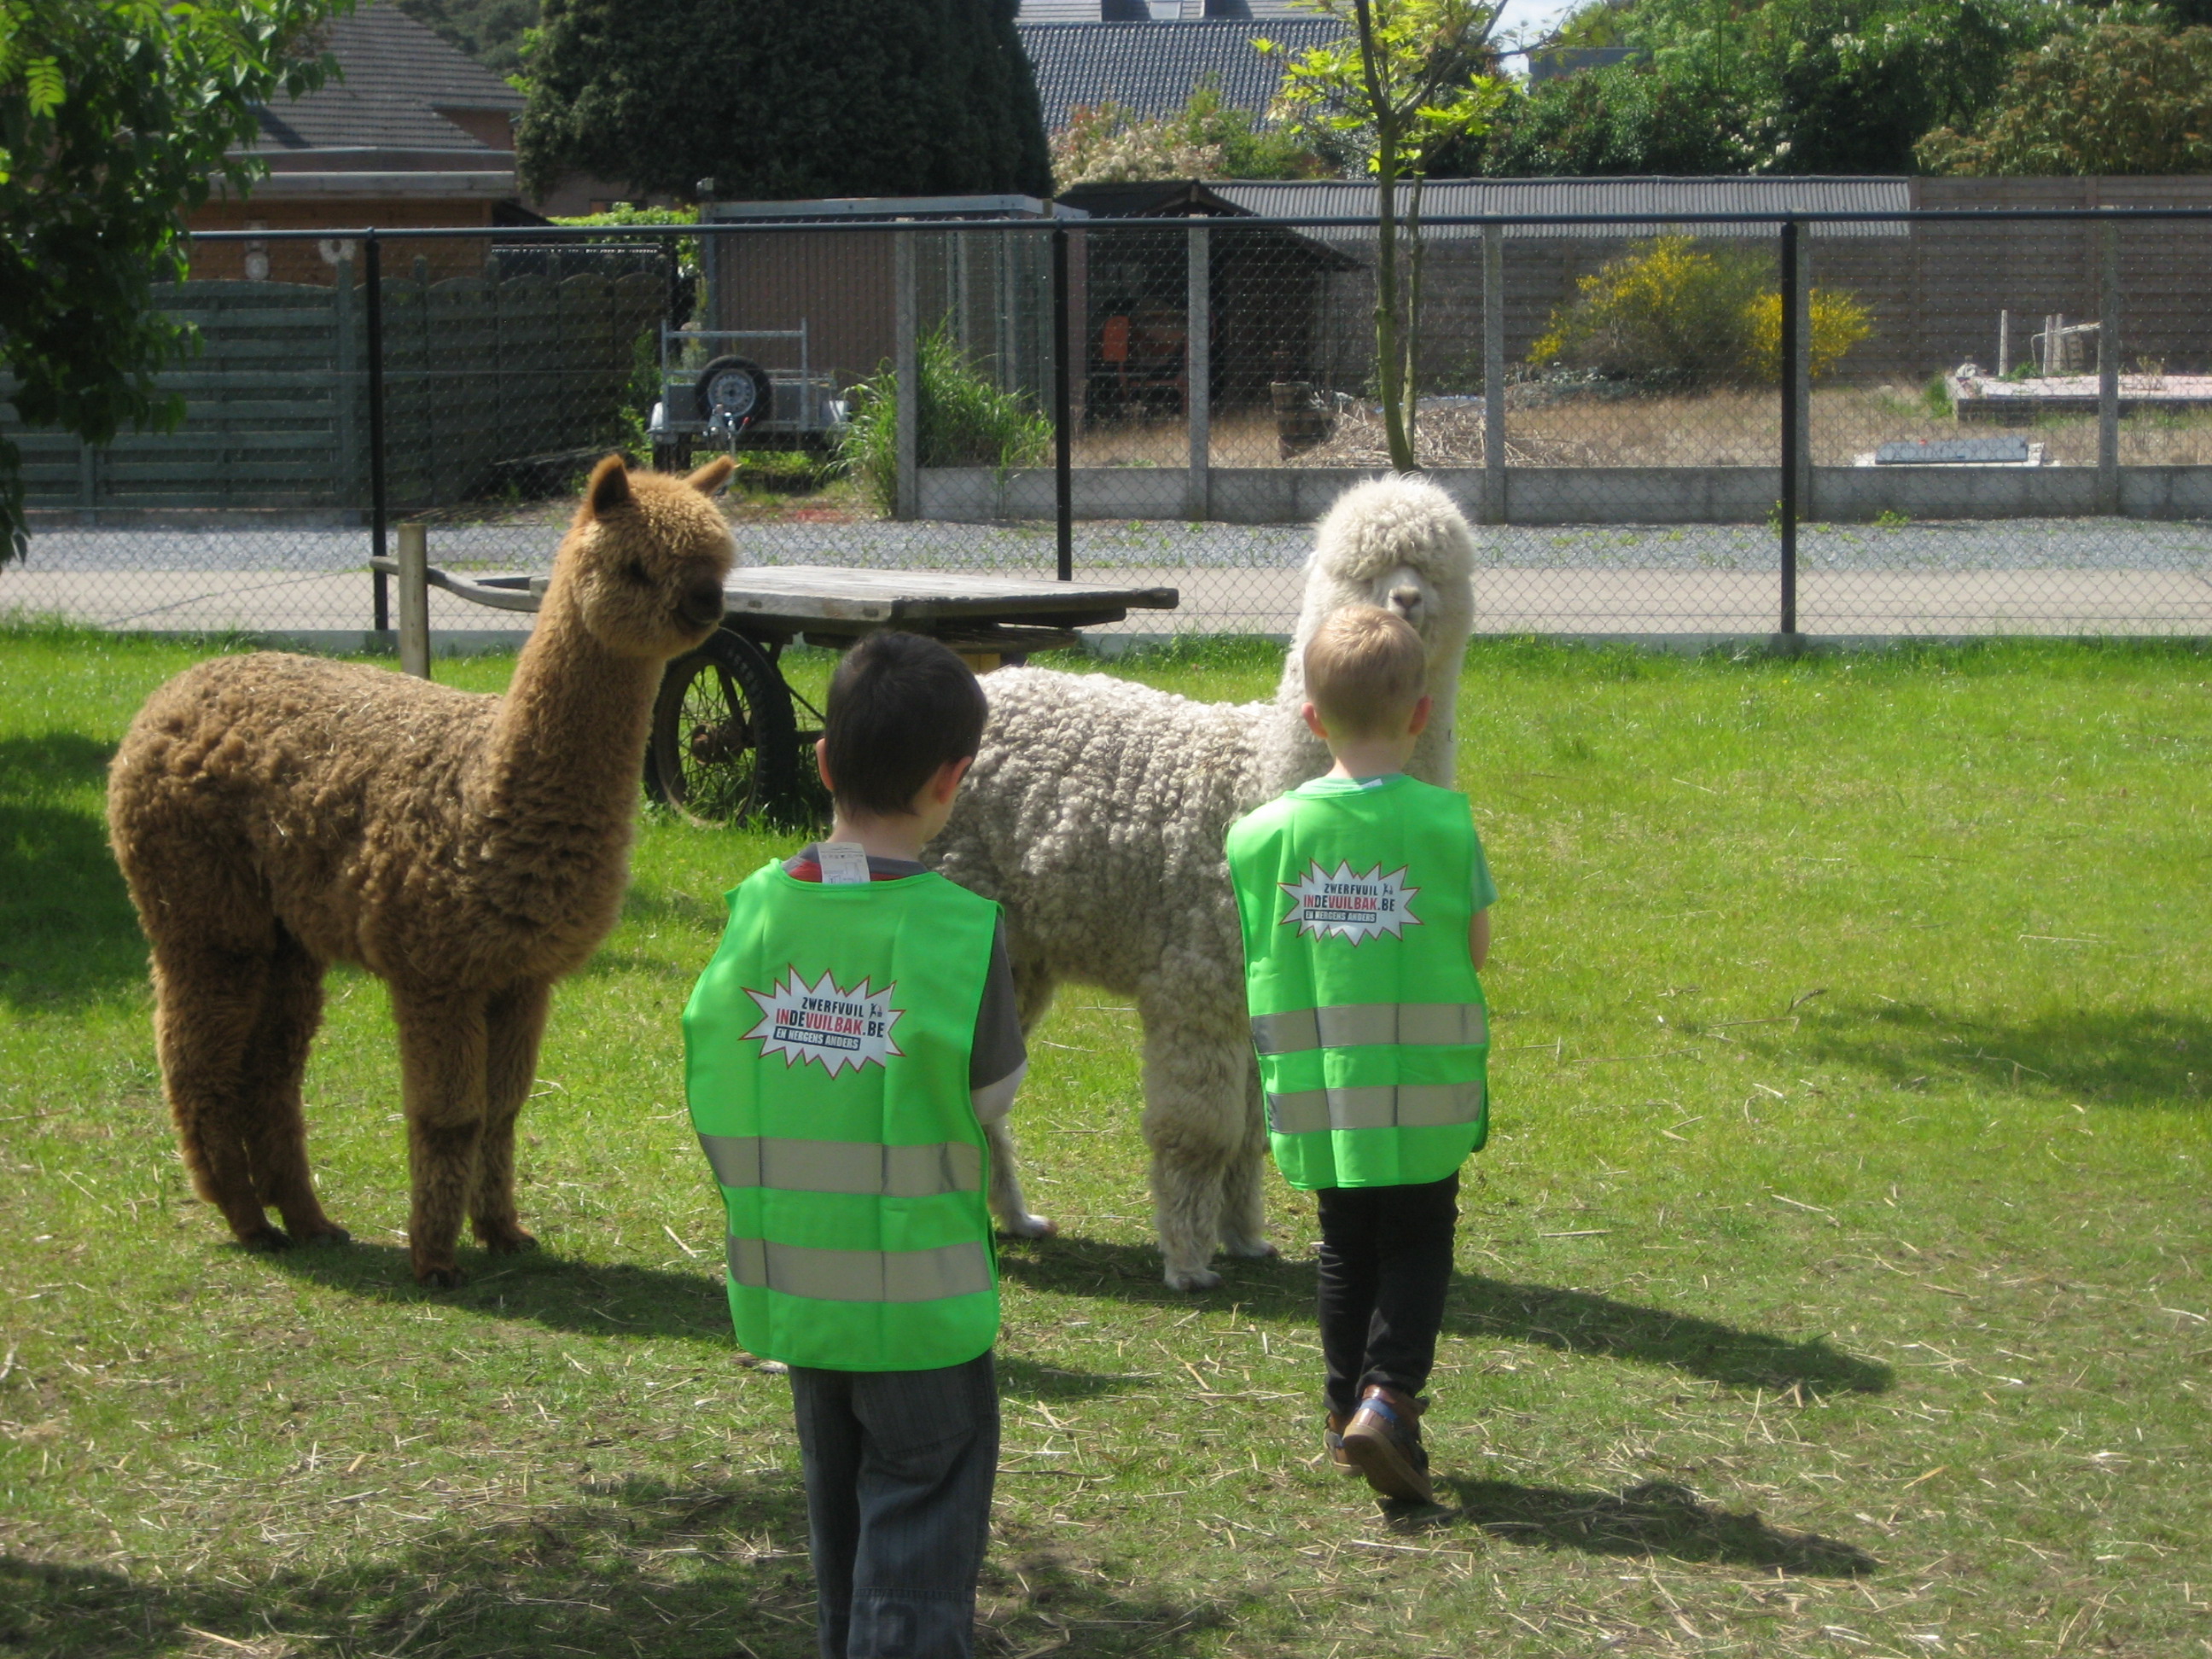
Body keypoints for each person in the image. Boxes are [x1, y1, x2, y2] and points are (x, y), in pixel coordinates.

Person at [683, 632, 1027, 1658]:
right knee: (919, 1525)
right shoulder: (963, 932)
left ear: (823, 762)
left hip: (798, 1290)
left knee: (841, 1528)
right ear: (953, 780)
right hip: (920, 1310)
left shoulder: (756, 911)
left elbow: (711, 1057)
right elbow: (993, 1092)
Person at [1224, 605, 1494, 1505]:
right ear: (1422, 716)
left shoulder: (1262, 840)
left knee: (1344, 1243)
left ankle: (1346, 1408)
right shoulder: (1445, 827)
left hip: (1322, 1093)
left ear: (1312, 719)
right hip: (1418, 1094)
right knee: (1419, 1238)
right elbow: (1477, 946)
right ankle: (1390, 1397)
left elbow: (1264, 946)